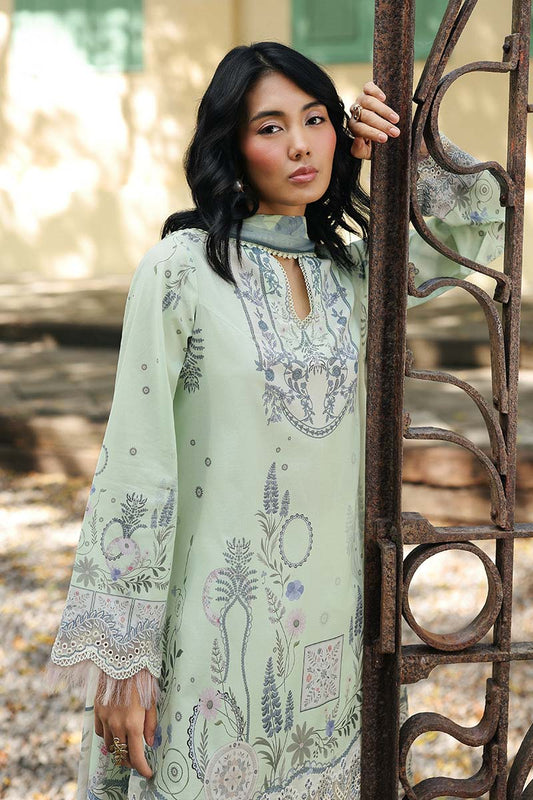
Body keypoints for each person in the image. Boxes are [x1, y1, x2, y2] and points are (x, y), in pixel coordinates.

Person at [46, 40, 505, 800]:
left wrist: (402, 143)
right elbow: (137, 464)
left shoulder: (353, 273)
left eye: (316, 120)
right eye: (270, 127)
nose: (299, 144)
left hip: (334, 642)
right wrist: (125, 665)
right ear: (231, 147)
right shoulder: (181, 270)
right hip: (211, 638)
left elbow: (479, 225)